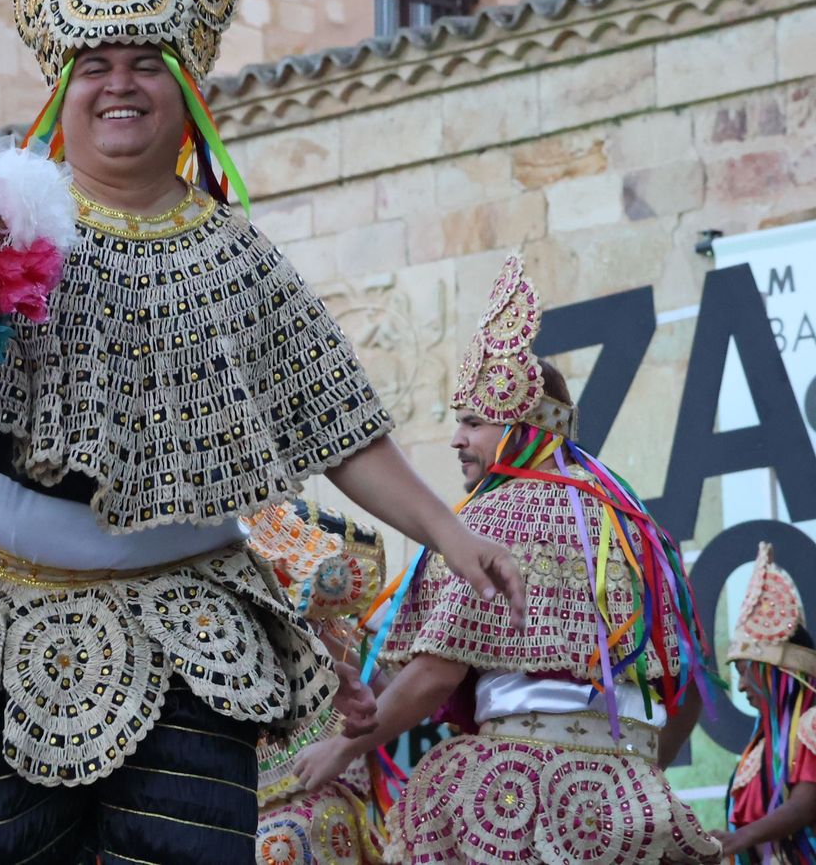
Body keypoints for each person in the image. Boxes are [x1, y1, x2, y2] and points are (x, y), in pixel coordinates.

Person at [0, 0, 523, 864]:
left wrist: (449, 529)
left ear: (186, 86)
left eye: (145, 59)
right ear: (63, 86)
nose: (120, 81)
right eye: (94, 61)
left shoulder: (238, 256)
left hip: (188, 627)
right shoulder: (0, 220)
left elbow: (338, 426)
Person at [294, 255, 718, 864]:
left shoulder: (491, 518)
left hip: (519, 791)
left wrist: (341, 746)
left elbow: (436, 675)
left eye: (472, 423)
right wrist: (639, 772)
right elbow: (692, 683)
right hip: (630, 802)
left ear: (525, 426)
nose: (456, 439)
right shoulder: (639, 530)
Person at [248, 499, 395, 865]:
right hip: (299, 819)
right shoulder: (331, 636)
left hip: (304, 817)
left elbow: (388, 697)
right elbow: (388, 694)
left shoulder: (333, 635)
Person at [714, 543, 816, 862]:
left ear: (779, 674)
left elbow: (804, 805)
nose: (742, 685)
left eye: (746, 671)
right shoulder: (757, 752)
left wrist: (738, 837)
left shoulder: (812, 725)